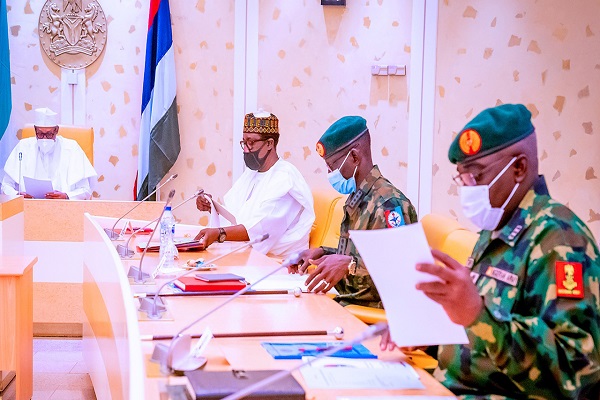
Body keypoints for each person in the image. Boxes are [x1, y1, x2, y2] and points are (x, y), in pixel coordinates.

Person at [380, 104, 600, 399]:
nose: (468, 189)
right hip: (448, 388)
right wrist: (427, 331)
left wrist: (477, 314)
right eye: (462, 178)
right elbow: (479, 338)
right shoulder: (497, 227)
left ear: (519, 168)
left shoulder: (559, 239)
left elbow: (577, 371)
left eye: (476, 176)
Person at [288, 116, 417, 308]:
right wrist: (322, 254)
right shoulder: (359, 197)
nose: (330, 173)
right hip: (348, 302)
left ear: (355, 157)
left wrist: (348, 265)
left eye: (332, 166)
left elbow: (400, 272)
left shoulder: (389, 205)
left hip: (372, 314)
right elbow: (365, 257)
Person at [195, 111, 315, 258]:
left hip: (279, 263)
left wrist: (219, 233)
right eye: (244, 142)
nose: (246, 149)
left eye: (251, 142)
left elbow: (260, 230)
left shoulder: (285, 179)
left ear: (269, 143)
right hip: (250, 256)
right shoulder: (252, 174)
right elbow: (237, 218)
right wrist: (212, 207)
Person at [1, 107, 97, 200]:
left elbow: (85, 190)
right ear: (35, 130)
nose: (44, 138)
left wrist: (66, 196)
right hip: (28, 206)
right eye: (40, 134)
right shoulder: (23, 147)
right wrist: (17, 195)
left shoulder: (71, 148)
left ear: (56, 130)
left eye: (49, 134)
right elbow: (6, 186)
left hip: (63, 206)